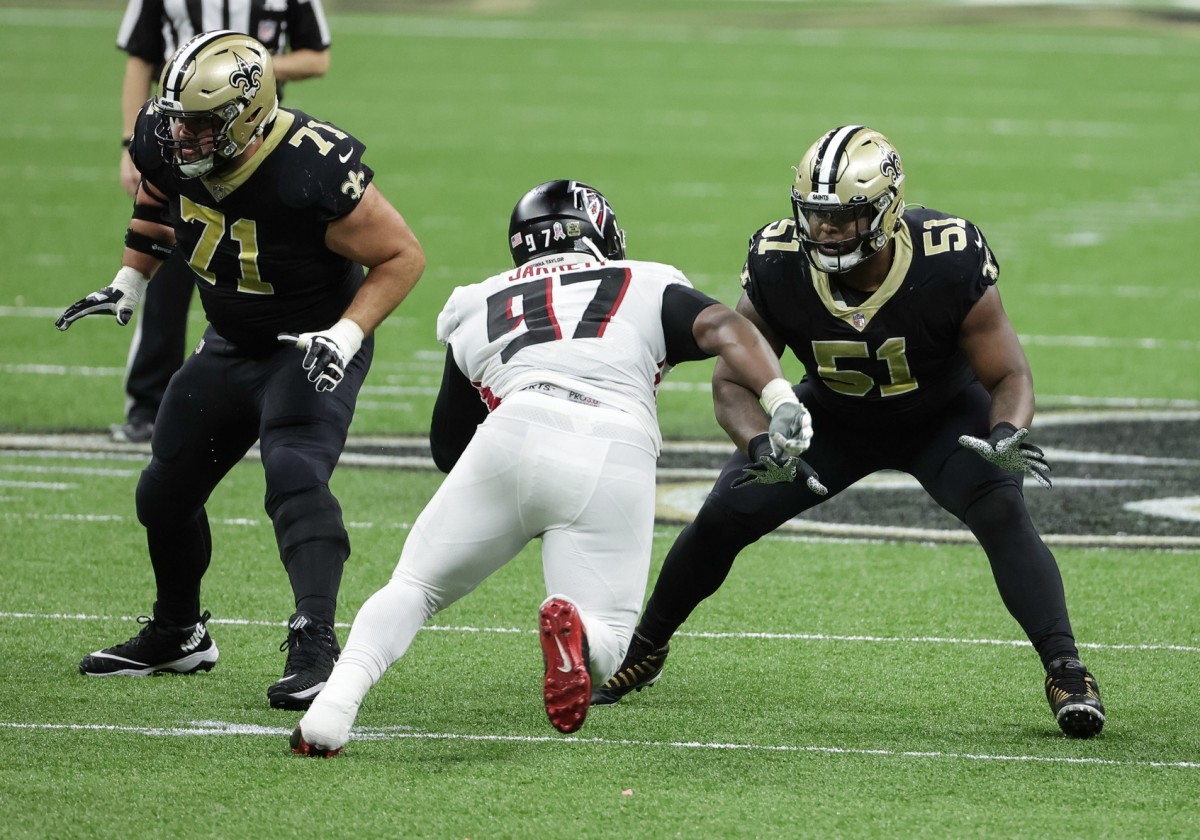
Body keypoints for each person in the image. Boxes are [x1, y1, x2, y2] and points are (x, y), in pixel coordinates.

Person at [589, 125, 1106, 739]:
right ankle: (645, 646)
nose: (825, 232)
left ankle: (1067, 671)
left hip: (941, 418)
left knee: (1001, 511)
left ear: (886, 211)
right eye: (815, 216)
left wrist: (1006, 432)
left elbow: (1009, 373)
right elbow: (731, 383)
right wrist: (760, 443)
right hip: (831, 419)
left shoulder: (948, 255)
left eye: (843, 219)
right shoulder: (779, 261)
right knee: (726, 512)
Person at [288, 179, 814, 756]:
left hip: (514, 428)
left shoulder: (476, 300)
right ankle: (578, 635)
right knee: (611, 639)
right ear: (601, 234)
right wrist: (780, 398)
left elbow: (447, 446)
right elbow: (724, 329)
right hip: (615, 442)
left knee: (414, 587)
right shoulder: (642, 279)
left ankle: (331, 711)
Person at [56, 31, 425, 711]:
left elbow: (402, 255)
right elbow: (156, 202)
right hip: (229, 339)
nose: (182, 139)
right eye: (177, 122)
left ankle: (316, 646)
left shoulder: (308, 168)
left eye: (201, 125)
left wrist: (345, 335)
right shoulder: (164, 139)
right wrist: (130, 281)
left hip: (309, 340)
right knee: (162, 493)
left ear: (249, 116)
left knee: (293, 474)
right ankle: (179, 634)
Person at [112, 0, 333, 443]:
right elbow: (142, 56)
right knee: (163, 276)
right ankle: (147, 402)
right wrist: (130, 141)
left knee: (261, 276)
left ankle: (280, 399)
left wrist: (240, 80)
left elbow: (317, 57)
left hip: (254, 146)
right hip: (180, 142)